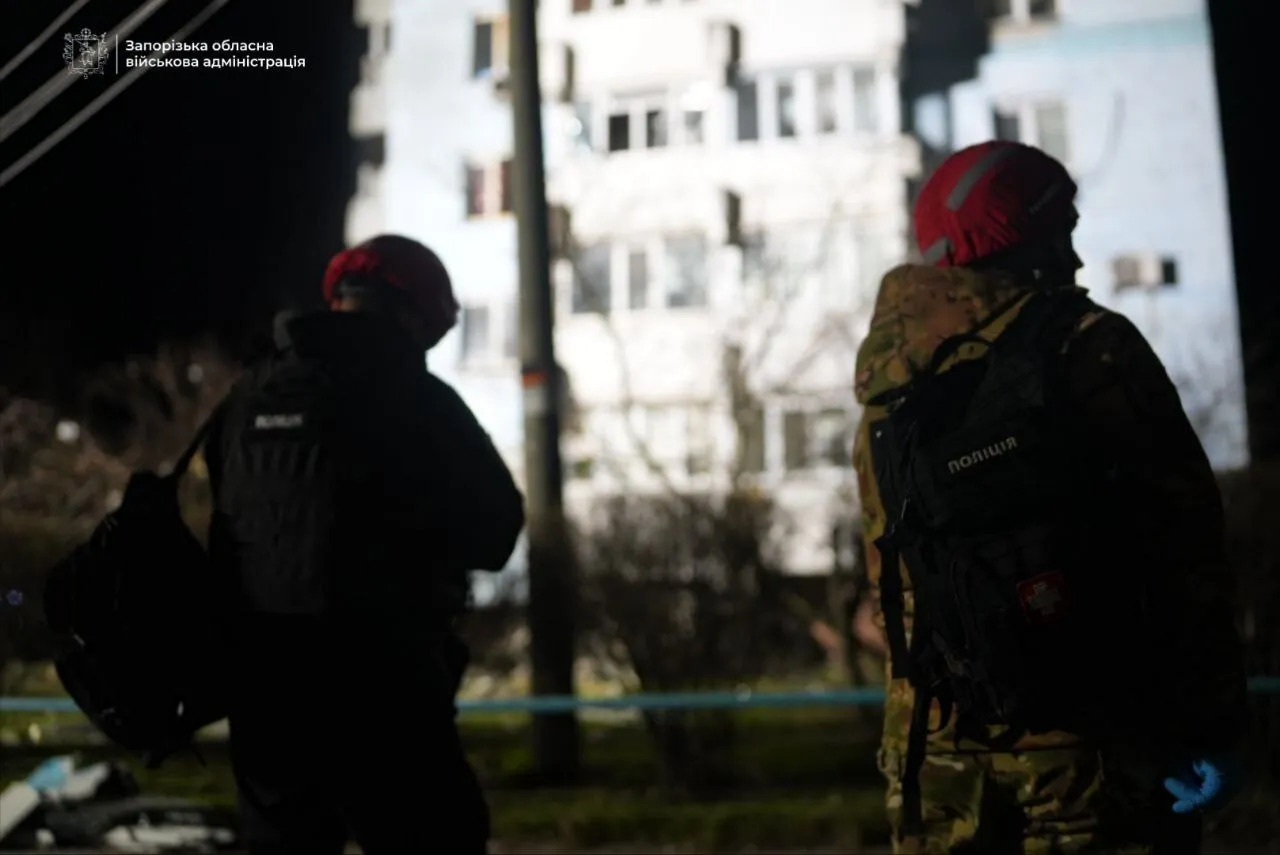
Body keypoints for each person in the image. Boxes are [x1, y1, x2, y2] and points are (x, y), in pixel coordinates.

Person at [852, 141, 1248, 854]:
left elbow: (893, 586)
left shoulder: (887, 388)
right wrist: (1212, 720)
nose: (1076, 255)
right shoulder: (1090, 347)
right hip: (1098, 746)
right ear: (1030, 238)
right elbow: (1187, 550)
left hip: (933, 759)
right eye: (1063, 228)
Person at [204, 234, 525, 854]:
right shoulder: (421, 401)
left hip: (267, 691)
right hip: (389, 689)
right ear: (415, 315)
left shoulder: (247, 397)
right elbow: (496, 533)